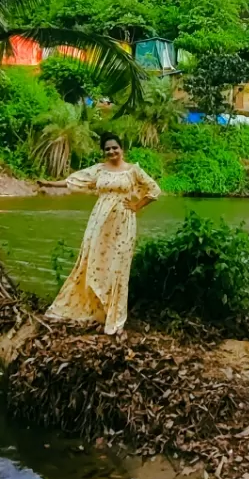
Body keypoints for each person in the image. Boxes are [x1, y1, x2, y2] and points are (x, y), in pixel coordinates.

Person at [42, 133, 161, 335]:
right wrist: (49, 184)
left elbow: (154, 190)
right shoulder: (99, 170)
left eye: (115, 148)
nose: (112, 152)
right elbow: (75, 180)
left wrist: (136, 205)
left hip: (123, 222)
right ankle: (93, 309)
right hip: (99, 221)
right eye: (107, 149)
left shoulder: (133, 171)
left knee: (118, 266)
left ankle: (112, 316)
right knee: (91, 260)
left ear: (122, 149)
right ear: (104, 152)